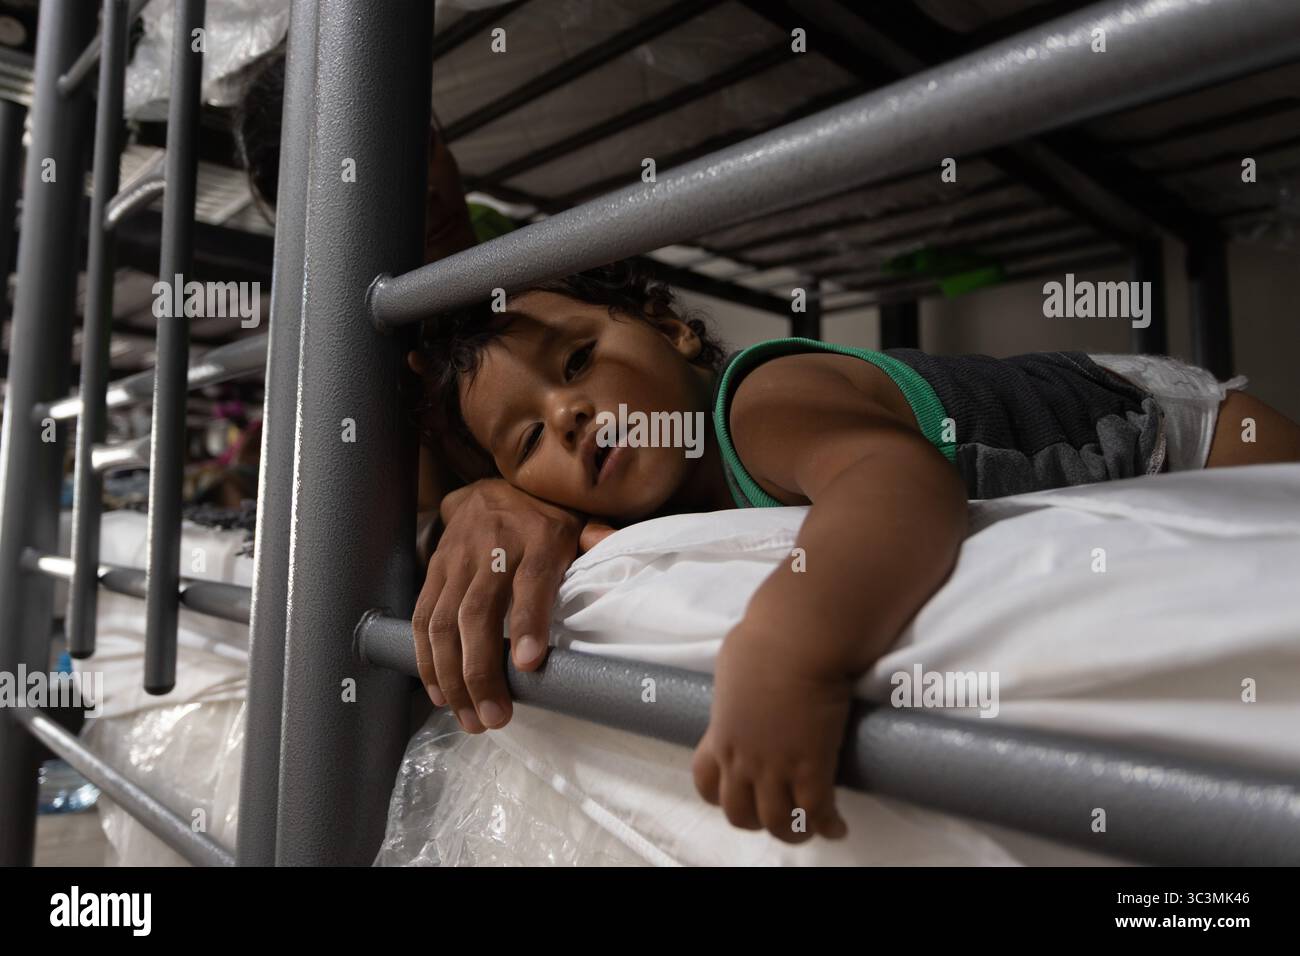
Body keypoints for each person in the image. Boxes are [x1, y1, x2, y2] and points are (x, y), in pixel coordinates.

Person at [408, 259, 1300, 844]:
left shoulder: (761, 402)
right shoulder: (652, 504)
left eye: (577, 362)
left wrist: (789, 651)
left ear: (672, 329)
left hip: (1181, 433)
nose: (566, 417)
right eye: (527, 442)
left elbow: (898, 487)